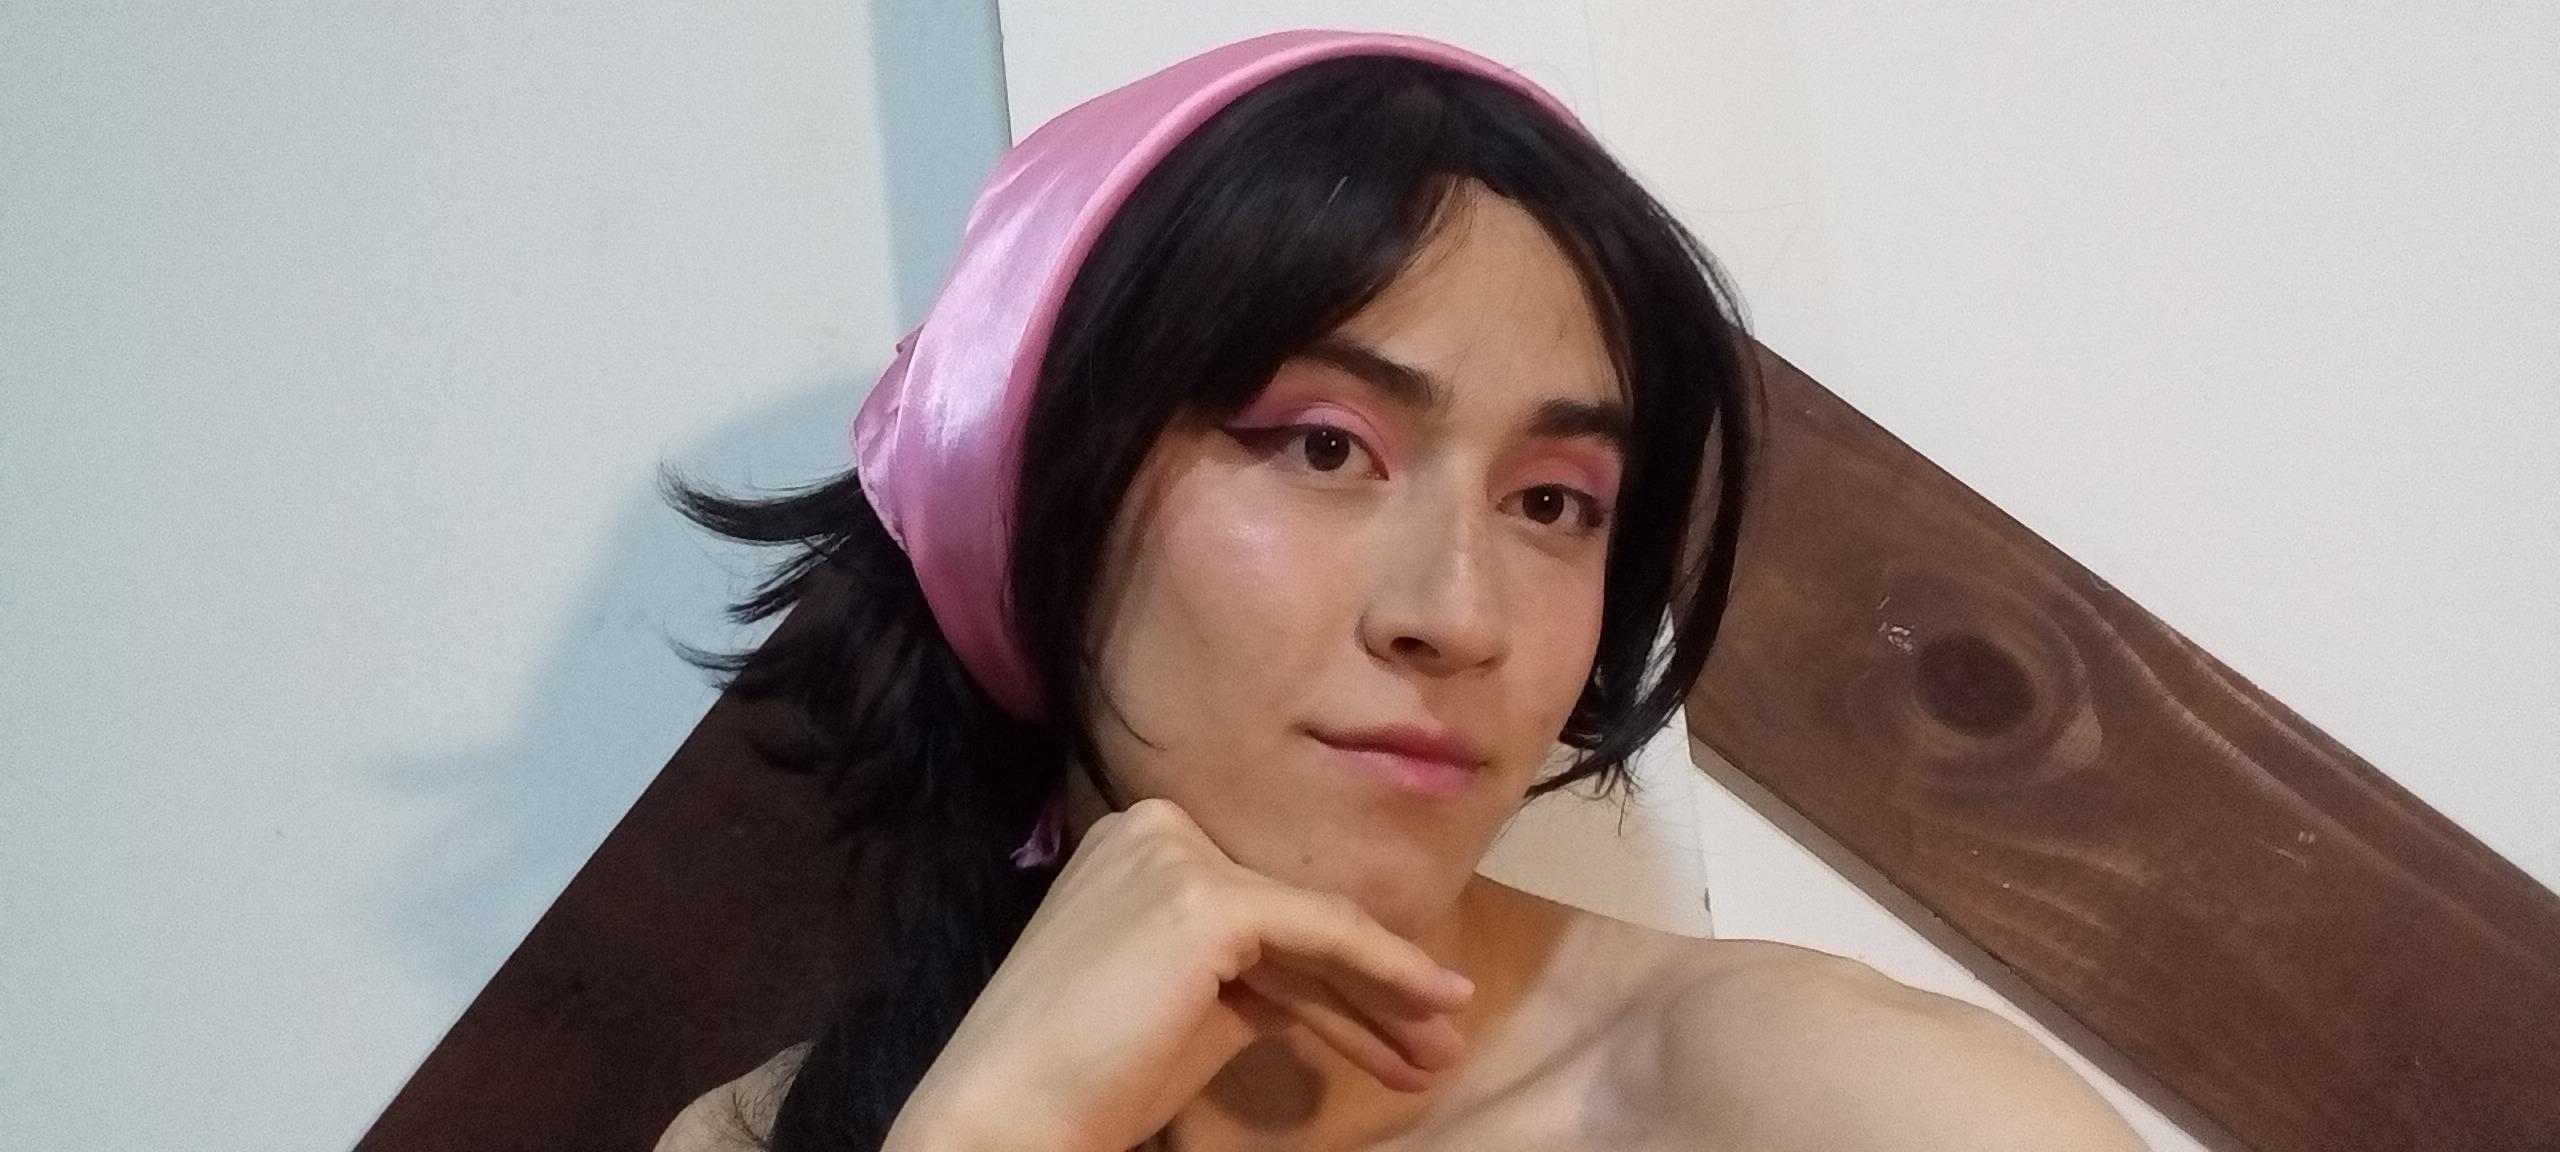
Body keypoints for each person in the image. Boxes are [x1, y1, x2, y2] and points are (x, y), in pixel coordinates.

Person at [653, 28, 2147, 1152]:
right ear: (1029, 485)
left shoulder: (1864, 1109)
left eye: (1553, 503)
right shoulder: (767, 1134)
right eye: (1324, 447)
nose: (1457, 615)